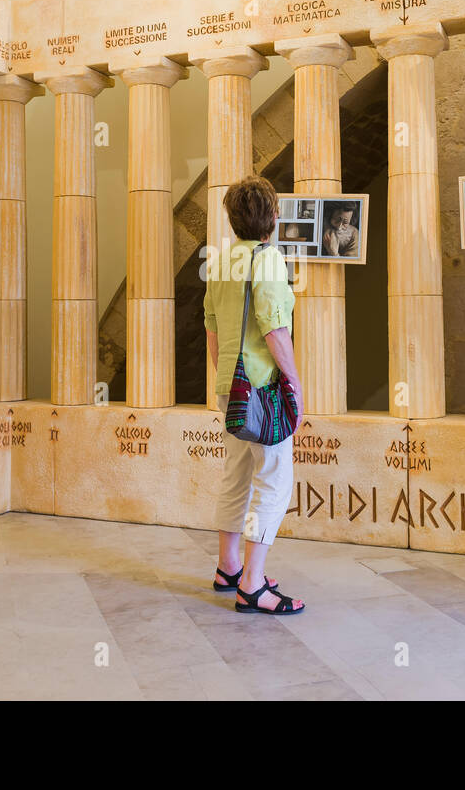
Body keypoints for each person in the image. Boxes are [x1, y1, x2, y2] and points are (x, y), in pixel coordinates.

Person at [203, 176, 306, 615]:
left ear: (232, 218)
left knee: (237, 475)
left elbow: (211, 329)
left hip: (231, 386)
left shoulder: (222, 262)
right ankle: (252, 583)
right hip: (263, 386)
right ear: (273, 216)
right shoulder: (268, 259)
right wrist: (296, 384)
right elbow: (274, 329)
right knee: (274, 478)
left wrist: (226, 379)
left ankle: (228, 566)